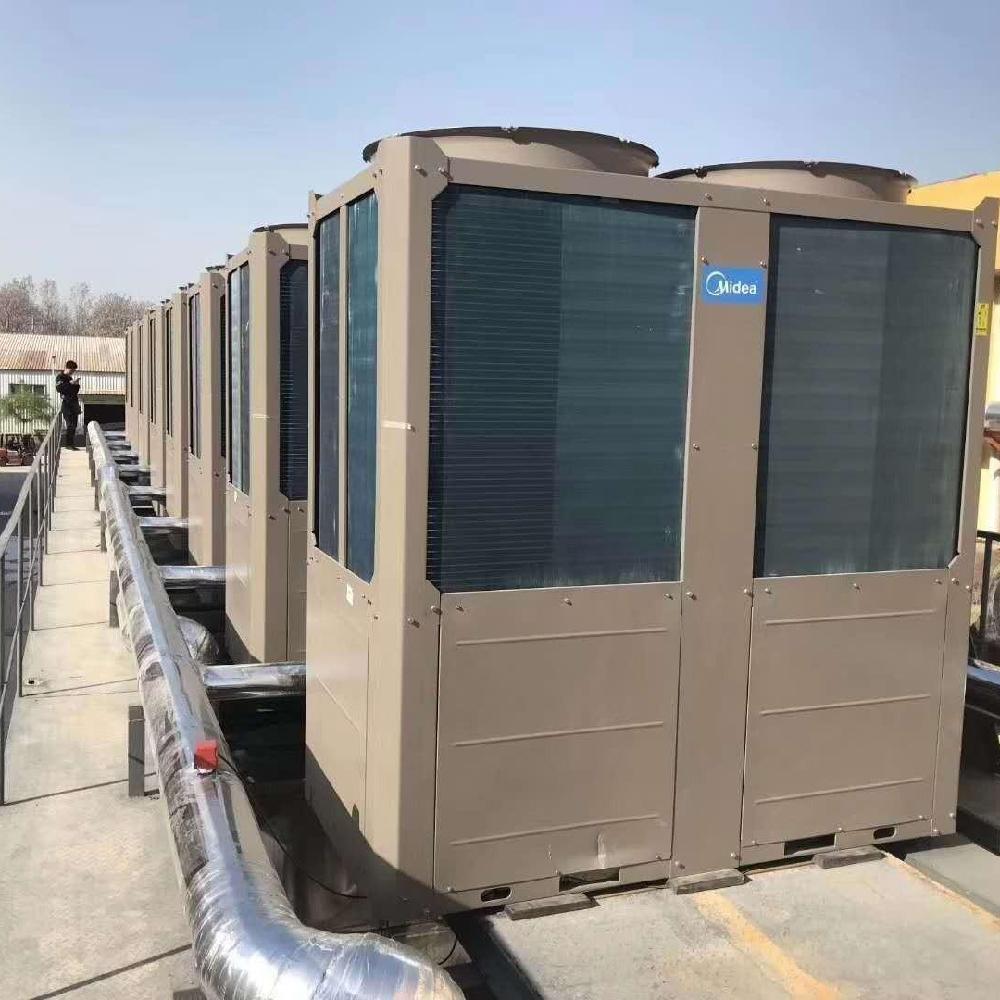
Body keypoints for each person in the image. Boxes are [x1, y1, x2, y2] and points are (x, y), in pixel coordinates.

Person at [55, 360, 81, 449]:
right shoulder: (60, 377)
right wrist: (70, 383)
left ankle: (71, 444)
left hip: (74, 404)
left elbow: (74, 391)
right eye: (72, 370)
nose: (72, 372)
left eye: (73, 371)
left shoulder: (69, 378)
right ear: (67, 368)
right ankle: (68, 444)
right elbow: (59, 389)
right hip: (66, 404)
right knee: (70, 425)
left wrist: (76, 385)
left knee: (74, 425)